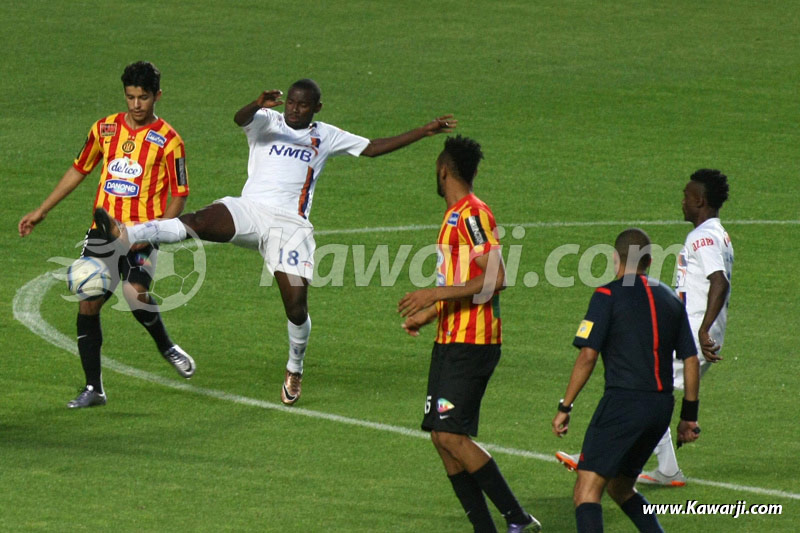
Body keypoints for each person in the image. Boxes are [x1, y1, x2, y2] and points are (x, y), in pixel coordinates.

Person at [93, 78, 456, 405]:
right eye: (292, 103)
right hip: (250, 209)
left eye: (303, 105)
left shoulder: (325, 135)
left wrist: (424, 131)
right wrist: (257, 103)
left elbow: (373, 147)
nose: (295, 109)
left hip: (289, 226)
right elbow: (239, 119)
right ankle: (127, 233)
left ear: (316, 108)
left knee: (296, 305)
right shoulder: (268, 120)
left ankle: (295, 368)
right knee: (196, 222)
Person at [18, 61, 196, 408]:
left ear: (157, 96)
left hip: (141, 232)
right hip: (103, 231)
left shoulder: (170, 141)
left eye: (143, 97)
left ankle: (167, 346)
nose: (136, 105)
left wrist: (157, 232)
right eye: (130, 97)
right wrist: (42, 210)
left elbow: (180, 194)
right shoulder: (105, 129)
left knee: (135, 293)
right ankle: (94, 389)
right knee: (88, 301)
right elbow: (79, 169)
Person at [398, 136, 540, 533]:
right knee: (440, 438)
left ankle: (519, 519)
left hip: (473, 342)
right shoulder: (455, 216)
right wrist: (429, 314)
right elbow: (462, 281)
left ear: (443, 169)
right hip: (450, 340)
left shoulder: (473, 215)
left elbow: (495, 278)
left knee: (451, 435)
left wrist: (433, 294)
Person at [556, 170, 733, 487]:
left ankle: (596, 456)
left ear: (699, 200)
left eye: (686, 196)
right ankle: (667, 468)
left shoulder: (702, 237)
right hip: (694, 332)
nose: (682, 201)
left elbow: (719, 281)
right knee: (654, 391)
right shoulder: (718, 233)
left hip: (692, 332)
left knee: (645, 388)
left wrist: (704, 329)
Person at [551, 228, 701, 533]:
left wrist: (565, 406)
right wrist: (688, 417)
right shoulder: (671, 299)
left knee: (586, 491)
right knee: (620, 487)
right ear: (649, 261)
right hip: (660, 408)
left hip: (623, 405)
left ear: (614, 258)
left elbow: (588, 356)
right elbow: (690, 360)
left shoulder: (607, 295)